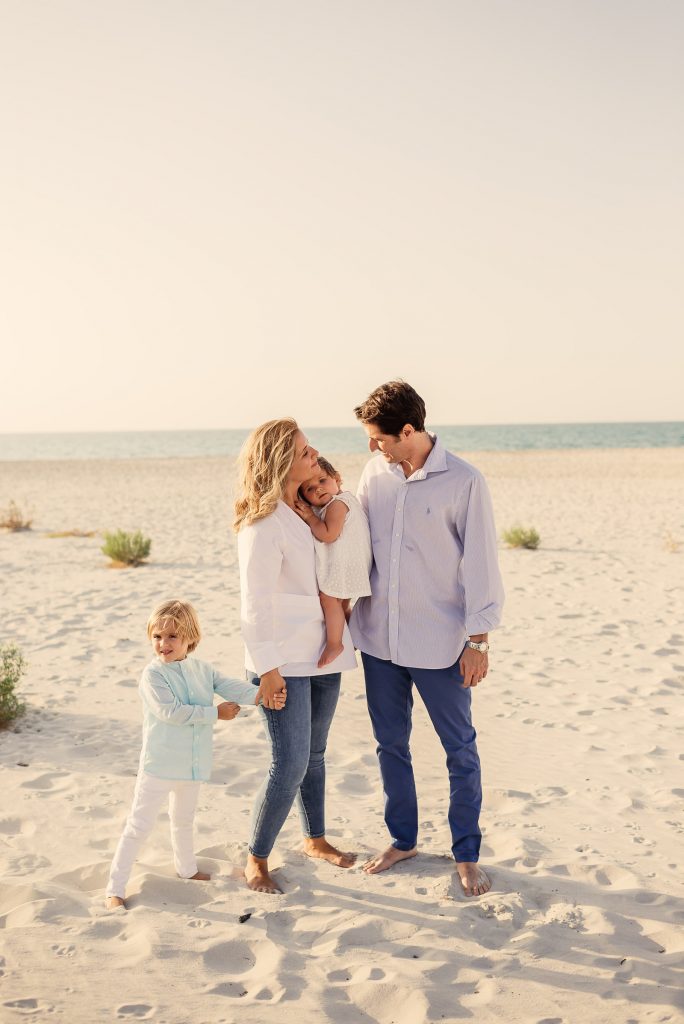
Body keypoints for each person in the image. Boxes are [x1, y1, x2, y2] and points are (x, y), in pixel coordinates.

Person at [350, 381, 504, 897]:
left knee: (459, 749)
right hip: (379, 641)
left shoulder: (464, 481)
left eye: (379, 438)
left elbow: (481, 563)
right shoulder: (376, 473)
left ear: (409, 431)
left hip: (441, 643)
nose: (374, 447)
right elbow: (356, 545)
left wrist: (477, 640)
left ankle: (465, 852)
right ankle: (404, 839)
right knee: (390, 744)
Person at [234, 419, 358, 895]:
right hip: (281, 660)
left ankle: (315, 839)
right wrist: (267, 670)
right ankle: (257, 857)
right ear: (281, 461)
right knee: (288, 764)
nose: (315, 456)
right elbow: (254, 604)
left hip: (324, 655)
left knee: (316, 755)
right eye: (306, 452)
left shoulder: (309, 509)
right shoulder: (262, 525)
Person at [105, 599, 276, 910]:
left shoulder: (202, 669)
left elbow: (231, 687)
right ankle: (114, 888)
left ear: (190, 639)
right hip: (159, 765)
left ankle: (187, 869)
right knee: (138, 826)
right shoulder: (153, 675)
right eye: (157, 636)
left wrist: (261, 695)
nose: (163, 643)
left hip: (192, 765)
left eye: (172, 636)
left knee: (183, 820)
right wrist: (215, 713)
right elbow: (171, 712)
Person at [294, 456, 372, 667]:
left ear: (337, 478)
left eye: (322, 481)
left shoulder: (337, 504)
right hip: (354, 560)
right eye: (309, 489)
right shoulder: (343, 499)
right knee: (341, 604)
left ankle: (334, 643)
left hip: (347, 562)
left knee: (329, 598)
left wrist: (310, 517)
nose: (317, 489)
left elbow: (328, 534)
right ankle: (350, 634)